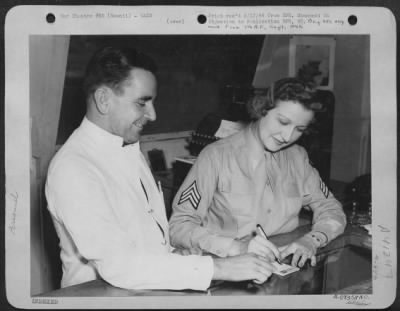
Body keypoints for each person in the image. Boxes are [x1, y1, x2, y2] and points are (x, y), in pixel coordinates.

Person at [45, 46, 275, 291]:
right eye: (142, 103)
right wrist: (219, 268)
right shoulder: (73, 168)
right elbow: (119, 265)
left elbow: (149, 243)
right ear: (103, 100)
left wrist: (205, 253)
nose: (152, 115)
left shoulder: (128, 147)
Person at [169, 77, 347, 268]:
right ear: (262, 109)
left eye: (299, 129)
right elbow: (178, 227)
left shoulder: (298, 158)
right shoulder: (215, 157)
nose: (287, 136)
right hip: (227, 267)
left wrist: (312, 240)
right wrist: (235, 247)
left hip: (279, 268)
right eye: (282, 122)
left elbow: (331, 209)